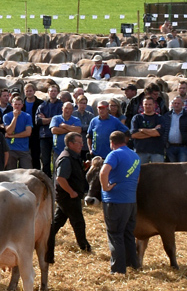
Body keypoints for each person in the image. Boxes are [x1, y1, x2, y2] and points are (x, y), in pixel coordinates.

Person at [99, 131, 141, 274]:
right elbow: (138, 178)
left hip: (115, 200)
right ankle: (132, 264)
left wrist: (106, 187)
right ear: (125, 140)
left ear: (112, 143)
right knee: (128, 234)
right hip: (131, 200)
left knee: (115, 234)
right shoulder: (135, 156)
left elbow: (103, 173)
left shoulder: (114, 154)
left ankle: (118, 270)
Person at [49, 131, 92, 262]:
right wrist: (71, 192)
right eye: (79, 143)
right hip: (68, 197)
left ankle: (44, 239)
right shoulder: (66, 158)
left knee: (57, 222)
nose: (82, 145)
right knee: (78, 222)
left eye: (82, 142)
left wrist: (84, 167)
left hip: (67, 196)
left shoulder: (73, 156)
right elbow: (61, 178)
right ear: (70, 143)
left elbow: (71, 174)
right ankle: (84, 247)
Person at [35, 84, 62, 176]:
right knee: (45, 160)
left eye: (55, 91)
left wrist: (46, 119)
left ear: (58, 93)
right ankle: (46, 179)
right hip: (44, 136)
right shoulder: (42, 106)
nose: (53, 93)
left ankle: (56, 180)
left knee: (57, 160)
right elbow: (38, 121)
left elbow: (61, 121)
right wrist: (54, 119)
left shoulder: (61, 106)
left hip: (57, 136)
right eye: (51, 91)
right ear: (48, 92)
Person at [130, 97, 167, 164]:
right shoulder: (137, 118)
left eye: (150, 104)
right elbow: (134, 135)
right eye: (146, 104)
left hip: (157, 152)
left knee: (157, 173)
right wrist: (153, 131)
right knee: (140, 173)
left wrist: (142, 130)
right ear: (142, 105)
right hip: (140, 151)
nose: (148, 106)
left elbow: (158, 133)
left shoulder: (160, 118)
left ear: (154, 105)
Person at [162, 96, 187, 163]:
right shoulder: (166, 116)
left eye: (178, 103)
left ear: (182, 104)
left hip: (183, 148)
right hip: (170, 147)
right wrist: (165, 143)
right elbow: (163, 130)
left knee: (183, 169)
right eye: (175, 103)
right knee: (171, 169)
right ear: (172, 104)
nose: (176, 105)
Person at [3, 95, 34, 169]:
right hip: (11, 149)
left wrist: (12, 136)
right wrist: (15, 117)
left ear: (22, 105)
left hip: (24, 149)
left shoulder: (27, 116)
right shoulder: (6, 116)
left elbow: (28, 133)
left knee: (27, 170)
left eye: (19, 104)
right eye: (15, 104)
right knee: (10, 172)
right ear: (12, 104)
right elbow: (9, 131)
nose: (17, 106)